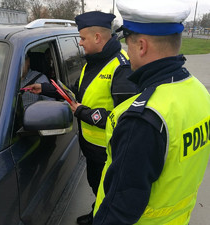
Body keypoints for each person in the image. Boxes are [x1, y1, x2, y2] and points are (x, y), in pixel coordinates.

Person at [93, 0, 210, 224]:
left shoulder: (142, 118)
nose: (127, 52)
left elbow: (119, 210)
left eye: (128, 45)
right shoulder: (198, 91)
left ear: (142, 46)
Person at [26, 11, 137, 225]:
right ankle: (97, 211)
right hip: (92, 148)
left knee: (108, 192)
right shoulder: (91, 64)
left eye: (83, 38)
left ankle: (101, 218)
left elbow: (126, 118)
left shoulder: (121, 68)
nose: (80, 43)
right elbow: (75, 94)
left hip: (109, 152)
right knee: (96, 186)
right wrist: (46, 88)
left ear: (97, 38)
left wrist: (82, 113)